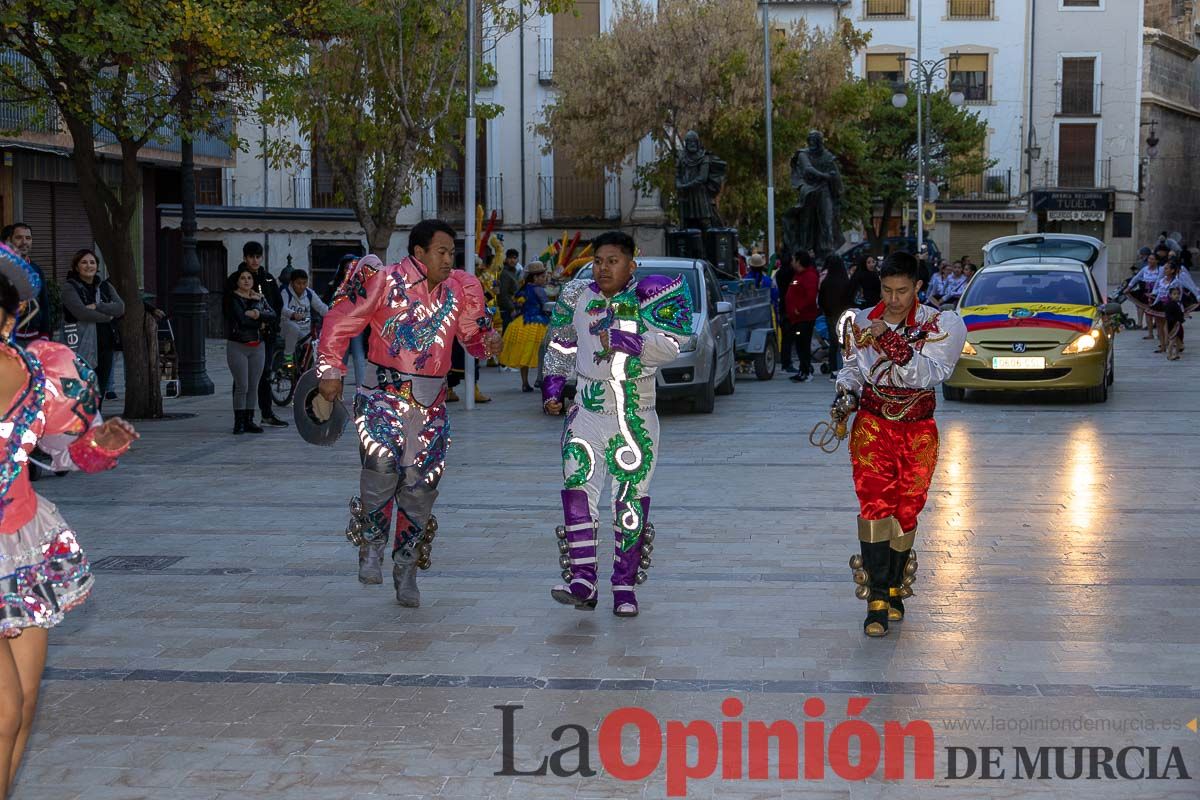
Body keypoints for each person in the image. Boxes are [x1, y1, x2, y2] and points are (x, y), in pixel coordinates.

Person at [0, 243, 137, 798]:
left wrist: (99, 443)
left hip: (20, 549)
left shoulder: (41, 371)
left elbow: (64, 452)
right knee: (4, 710)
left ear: (8, 319)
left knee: (26, 705)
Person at [315, 219, 502, 606]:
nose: (449, 259)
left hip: (432, 406)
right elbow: (339, 321)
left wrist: (488, 342)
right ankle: (371, 547)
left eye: (452, 252)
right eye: (442, 251)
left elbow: (472, 338)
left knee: (419, 490)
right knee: (381, 470)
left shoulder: (460, 289)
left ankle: (406, 567)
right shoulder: (383, 280)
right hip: (383, 396)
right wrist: (330, 369)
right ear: (419, 252)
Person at [542, 231, 693, 617]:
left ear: (631, 264)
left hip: (635, 415)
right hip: (586, 411)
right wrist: (554, 386)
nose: (603, 267)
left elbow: (673, 347)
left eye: (612, 260)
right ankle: (583, 580)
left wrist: (628, 338)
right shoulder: (576, 296)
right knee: (577, 490)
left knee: (629, 500)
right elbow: (561, 343)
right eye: (598, 261)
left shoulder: (649, 296)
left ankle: (624, 586)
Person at [829, 251, 965, 637]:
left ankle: (893, 585)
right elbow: (853, 367)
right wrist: (846, 393)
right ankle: (875, 598)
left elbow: (931, 373)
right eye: (886, 290)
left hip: (918, 429)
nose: (892, 299)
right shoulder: (859, 322)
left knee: (908, 507)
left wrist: (889, 339)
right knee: (875, 503)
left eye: (902, 291)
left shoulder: (942, 324)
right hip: (872, 426)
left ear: (918, 287)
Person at [60, 250, 124, 408]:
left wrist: (98, 306)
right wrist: (107, 316)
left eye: (92, 262)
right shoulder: (70, 287)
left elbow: (121, 308)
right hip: (81, 345)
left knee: (100, 388)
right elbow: (81, 312)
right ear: (76, 266)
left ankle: (95, 422)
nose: (89, 266)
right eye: (84, 262)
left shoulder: (105, 287)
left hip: (105, 343)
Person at [224, 266, 275, 435]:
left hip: (257, 346)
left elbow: (272, 315)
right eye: (243, 278)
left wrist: (256, 311)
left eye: (249, 278)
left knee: (253, 386)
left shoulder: (258, 298)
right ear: (237, 282)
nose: (246, 281)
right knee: (242, 385)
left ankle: (249, 421)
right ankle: (238, 423)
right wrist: (260, 321)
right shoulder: (232, 298)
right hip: (238, 345)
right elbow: (241, 320)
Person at [243, 242, 288, 428]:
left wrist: (271, 322)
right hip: (246, 335)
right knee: (244, 378)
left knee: (264, 375)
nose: (255, 260)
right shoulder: (239, 278)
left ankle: (266, 413)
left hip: (266, 335)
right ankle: (244, 417)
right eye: (251, 256)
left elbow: (277, 304)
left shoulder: (268, 279)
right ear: (245, 258)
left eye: (257, 256)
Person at [499, 262, 551, 392]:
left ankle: (525, 383)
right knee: (544, 353)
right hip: (538, 324)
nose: (545, 279)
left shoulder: (523, 289)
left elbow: (518, 305)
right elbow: (546, 305)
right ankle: (541, 379)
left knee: (524, 355)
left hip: (522, 323)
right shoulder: (539, 290)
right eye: (543, 276)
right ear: (535, 278)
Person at [0, 224, 50, 346]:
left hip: (35, 339)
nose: (24, 242)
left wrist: (45, 334)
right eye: (19, 238)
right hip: (7, 340)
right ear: (9, 241)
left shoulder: (36, 269)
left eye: (28, 238)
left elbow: (44, 304)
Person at [324, 255, 368, 387]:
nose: (349, 270)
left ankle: (361, 390)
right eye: (346, 267)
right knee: (340, 357)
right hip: (340, 325)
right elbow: (328, 304)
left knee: (358, 355)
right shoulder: (335, 285)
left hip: (356, 324)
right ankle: (338, 389)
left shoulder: (362, 284)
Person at [279, 269, 329, 370]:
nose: (302, 286)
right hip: (287, 328)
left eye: (304, 283)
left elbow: (321, 307)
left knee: (316, 343)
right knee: (294, 328)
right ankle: (288, 357)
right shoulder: (285, 292)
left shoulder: (309, 293)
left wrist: (334, 315)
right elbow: (282, 308)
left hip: (305, 331)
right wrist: (293, 314)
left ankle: (304, 370)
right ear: (292, 283)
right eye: (298, 283)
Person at [786, 250, 820, 383]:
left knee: (803, 344)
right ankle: (803, 369)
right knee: (800, 344)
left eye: (794, 259)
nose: (792, 262)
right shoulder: (798, 276)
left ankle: (806, 371)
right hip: (797, 318)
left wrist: (798, 309)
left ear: (799, 261)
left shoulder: (809, 276)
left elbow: (810, 297)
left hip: (804, 318)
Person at [818, 254, 853, 379]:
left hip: (830, 315)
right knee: (845, 343)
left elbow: (821, 300)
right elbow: (850, 297)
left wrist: (826, 311)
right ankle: (845, 368)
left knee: (833, 343)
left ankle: (833, 369)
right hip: (844, 314)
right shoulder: (845, 281)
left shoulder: (826, 282)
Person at [773, 251, 797, 372]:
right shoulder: (793, 275)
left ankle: (784, 362)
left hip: (782, 304)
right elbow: (795, 284)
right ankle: (788, 363)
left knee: (785, 336)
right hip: (791, 305)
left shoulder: (778, 274)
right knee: (790, 336)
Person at [498, 249, 520, 332]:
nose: (512, 260)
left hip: (512, 307)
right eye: (510, 258)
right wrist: (511, 309)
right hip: (508, 310)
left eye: (514, 258)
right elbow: (503, 294)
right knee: (507, 333)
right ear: (506, 259)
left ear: (517, 260)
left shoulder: (513, 272)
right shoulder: (505, 274)